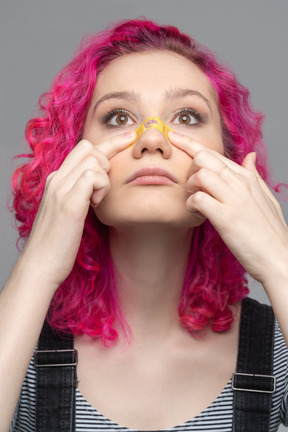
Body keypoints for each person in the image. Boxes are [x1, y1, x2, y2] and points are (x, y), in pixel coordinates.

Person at [1, 18, 287, 431]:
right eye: (118, 117)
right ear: (71, 158)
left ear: (228, 160)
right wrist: (37, 266)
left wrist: (281, 262)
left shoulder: (276, 346)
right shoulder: (17, 337)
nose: (152, 139)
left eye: (187, 116)